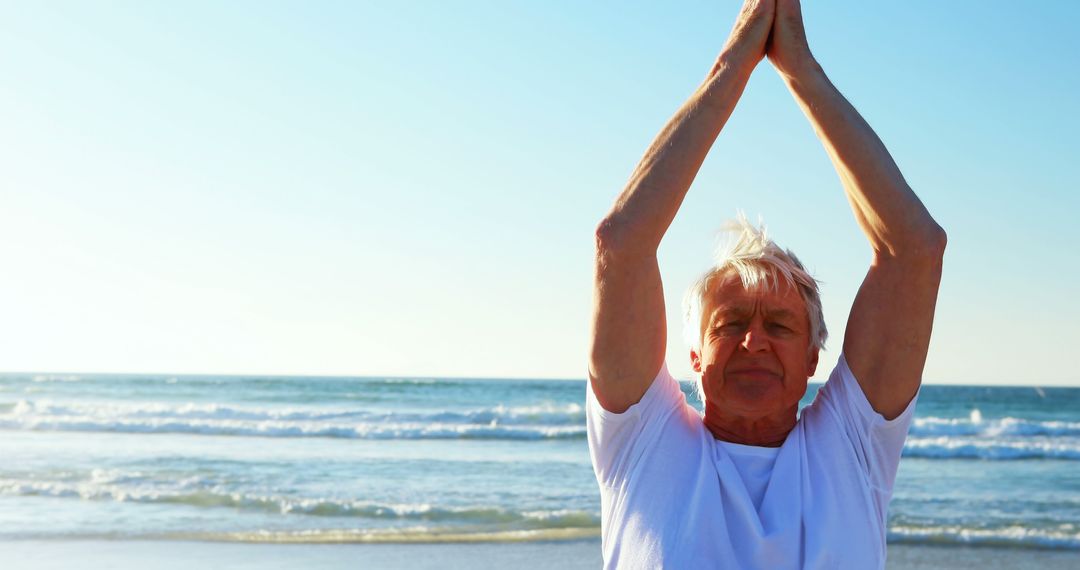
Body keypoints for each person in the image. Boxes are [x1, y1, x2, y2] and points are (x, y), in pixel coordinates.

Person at [586, 0, 946, 568]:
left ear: (812, 357)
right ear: (696, 356)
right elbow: (621, 243)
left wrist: (800, 70)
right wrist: (732, 66)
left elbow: (914, 251)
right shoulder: (644, 442)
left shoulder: (851, 450)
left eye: (779, 325)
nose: (754, 341)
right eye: (729, 324)